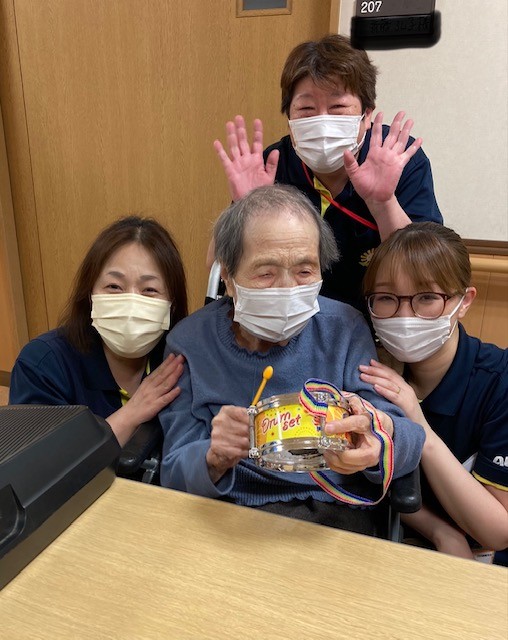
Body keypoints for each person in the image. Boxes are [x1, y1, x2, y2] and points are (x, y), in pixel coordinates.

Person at [159, 184, 425, 537]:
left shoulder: (344, 328)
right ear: (228, 278)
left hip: (334, 512)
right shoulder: (190, 341)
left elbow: (405, 438)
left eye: (304, 271)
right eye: (266, 273)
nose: (287, 289)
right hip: (229, 510)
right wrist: (212, 456)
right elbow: (173, 472)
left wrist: (378, 442)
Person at [212, 34, 442, 312]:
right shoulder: (271, 167)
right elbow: (219, 272)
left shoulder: (399, 159)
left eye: (338, 108)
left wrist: (383, 203)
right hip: (289, 318)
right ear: (289, 118)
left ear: (367, 115)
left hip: (378, 318)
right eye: (306, 109)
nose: (322, 120)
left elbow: (427, 274)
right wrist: (244, 208)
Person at [359, 222, 508, 564]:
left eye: (427, 297)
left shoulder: (499, 382)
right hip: (395, 544)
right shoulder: (368, 369)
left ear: (464, 301)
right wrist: (440, 531)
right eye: (386, 298)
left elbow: (498, 531)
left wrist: (418, 425)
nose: (404, 316)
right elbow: (362, 478)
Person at [9, 215, 188, 448]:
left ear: (171, 305)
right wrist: (131, 414)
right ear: (90, 294)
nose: (131, 303)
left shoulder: (179, 362)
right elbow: (39, 461)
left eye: (149, 290)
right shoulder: (42, 364)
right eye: (114, 286)